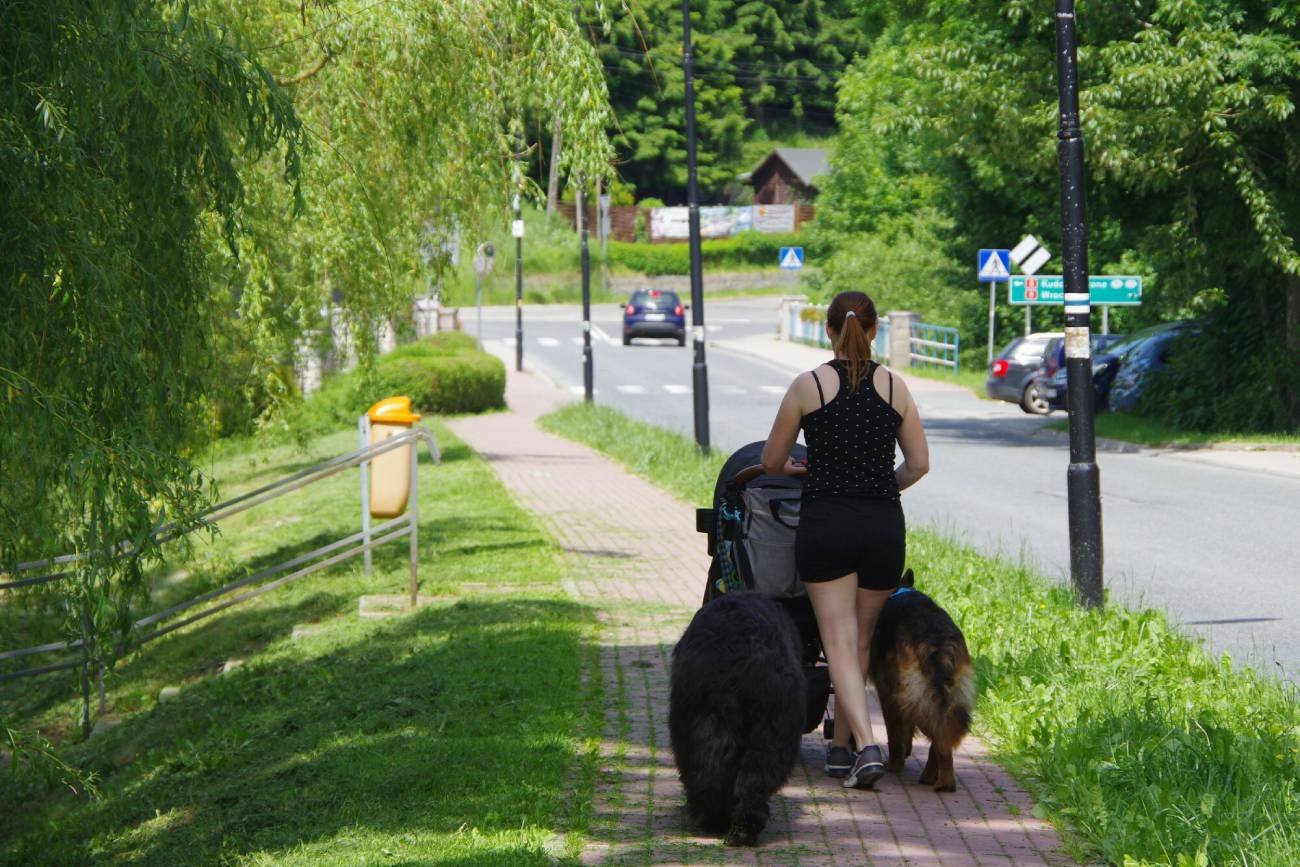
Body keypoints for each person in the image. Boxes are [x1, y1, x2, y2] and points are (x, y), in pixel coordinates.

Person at [759, 290, 930, 789]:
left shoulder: (808, 386)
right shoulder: (895, 387)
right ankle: (839, 749)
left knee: (836, 641)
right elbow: (919, 464)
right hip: (882, 526)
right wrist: (878, 488)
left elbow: (771, 461)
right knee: (858, 640)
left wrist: (797, 467)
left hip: (827, 524)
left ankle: (867, 744)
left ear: (830, 331)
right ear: (872, 331)